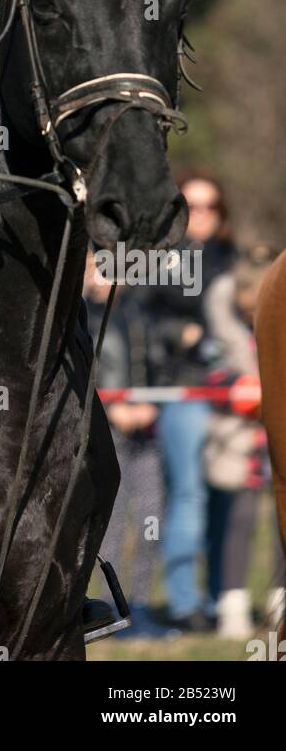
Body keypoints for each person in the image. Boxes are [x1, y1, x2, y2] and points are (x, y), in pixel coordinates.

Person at [144, 169, 237, 631]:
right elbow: (140, 318)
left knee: (228, 497)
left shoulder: (235, 259)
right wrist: (183, 335)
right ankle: (186, 603)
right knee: (189, 494)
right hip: (183, 389)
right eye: (191, 206)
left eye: (209, 207)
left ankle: (224, 598)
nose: (200, 216)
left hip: (234, 396)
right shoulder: (161, 258)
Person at [83, 251, 170, 639]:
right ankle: (109, 610)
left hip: (146, 430)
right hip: (106, 432)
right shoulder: (80, 318)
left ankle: (142, 606)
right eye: (94, 269)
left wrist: (152, 401)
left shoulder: (137, 312)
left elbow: (158, 363)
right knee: (112, 525)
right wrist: (111, 407)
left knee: (153, 518)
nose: (102, 277)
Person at [204, 243, 283, 638]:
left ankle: (278, 603)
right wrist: (240, 386)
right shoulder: (221, 328)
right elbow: (208, 367)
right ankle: (230, 605)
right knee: (238, 521)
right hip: (237, 440)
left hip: (274, 438)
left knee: (280, 526)